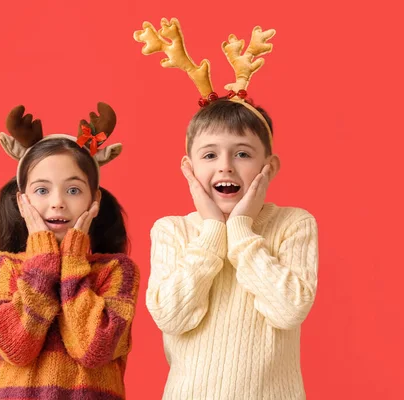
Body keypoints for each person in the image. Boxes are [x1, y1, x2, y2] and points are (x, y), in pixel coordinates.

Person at [135, 18, 319, 399]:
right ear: (189, 168)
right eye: (209, 155)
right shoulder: (172, 231)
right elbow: (172, 316)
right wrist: (213, 232)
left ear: (270, 167)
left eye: (243, 154)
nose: (225, 166)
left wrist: (241, 228)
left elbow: (288, 310)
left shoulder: (293, 224)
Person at [0, 102, 140, 400]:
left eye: (73, 190)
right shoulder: (1, 267)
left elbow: (93, 348)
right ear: (21, 201)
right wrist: (42, 259)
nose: (58, 203)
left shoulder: (117, 271)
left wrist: (72, 259)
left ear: (95, 199)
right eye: (42, 190)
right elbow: (16, 348)